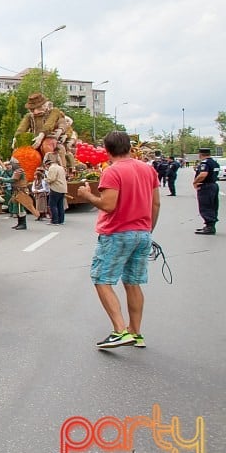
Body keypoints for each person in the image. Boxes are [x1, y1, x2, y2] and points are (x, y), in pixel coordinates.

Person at [75, 131, 160, 349]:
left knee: (102, 279)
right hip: (143, 232)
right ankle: (136, 332)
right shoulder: (148, 169)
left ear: (107, 149)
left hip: (117, 233)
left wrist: (87, 196)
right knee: (133, 283)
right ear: (129, 147)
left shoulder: (112, 172)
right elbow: (156, 204)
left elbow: (108, 205)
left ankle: (120, 330)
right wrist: (148, 230)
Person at [193, 148, 220, 235]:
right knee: (213, 206)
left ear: (200, 154)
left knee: (206, 206)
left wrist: (195, 182)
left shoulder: (205, 163)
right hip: (213, 185)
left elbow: (203, 174)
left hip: (206, 186)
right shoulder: (214, 162)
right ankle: (210, 225)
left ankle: (209, 226)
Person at [45, 153, 68, 225]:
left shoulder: (52, 168)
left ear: (48, 165)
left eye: (46, 167)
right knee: (60, 205)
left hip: (56, 188)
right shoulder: (60, 167)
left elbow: (51, 179)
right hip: (63, 188)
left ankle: (55, 221)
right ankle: (61, 220)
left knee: (53, 205)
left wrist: (45, 179)